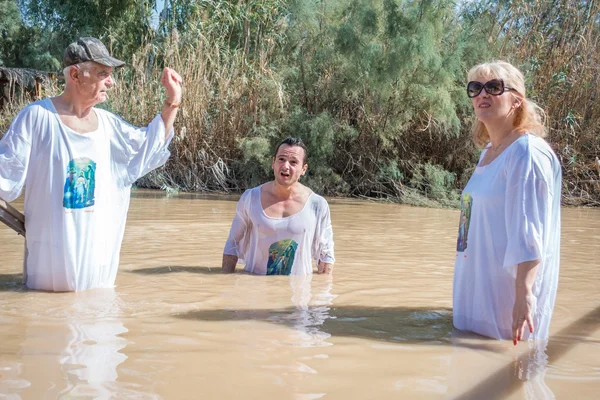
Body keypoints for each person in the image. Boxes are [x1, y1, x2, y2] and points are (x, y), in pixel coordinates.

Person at [0, 37, 182, 291]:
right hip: (47, 280)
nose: (111, 82)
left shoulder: (110, 126)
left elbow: (151, 144)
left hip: (98, 283)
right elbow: (4, 179)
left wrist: (172, 101)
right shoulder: (37, 118)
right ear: (75, 74)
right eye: (103, 74)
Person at [453, 61, 561, 345]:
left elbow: (530, 233)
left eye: (494, 87)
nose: (482, 95)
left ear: (516, 100)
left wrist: (524, 295)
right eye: (475, 88)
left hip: (504, 300)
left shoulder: (526, 153)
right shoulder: (489, 151)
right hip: (476, 289)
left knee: (504, 373)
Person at [222, 137, 335, 275]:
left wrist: (323, 291)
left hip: (299, 292)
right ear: (273, 163)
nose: (286, 166)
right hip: (254, 288)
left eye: (293, 162)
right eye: (281, 159)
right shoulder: (250, 198)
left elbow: (326, 255)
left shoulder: (317, 205)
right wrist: (225, 284)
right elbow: (232, 243)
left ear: (303, 169)